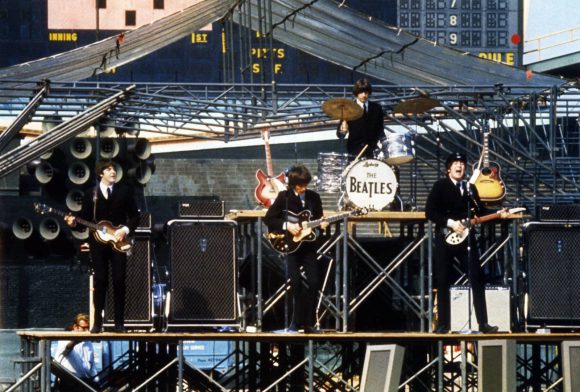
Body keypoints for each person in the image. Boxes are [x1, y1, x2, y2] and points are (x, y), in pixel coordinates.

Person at [425, 152, 508, 334]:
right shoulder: (440, 186)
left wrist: (499, 214)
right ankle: (443, 324)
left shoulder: (470, 188)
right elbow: (429, 211)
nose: (459, 166)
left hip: (466, 239)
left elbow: (481, 210)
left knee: (477, 277)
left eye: (461, 163)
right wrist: (450, 223)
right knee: (444, 279)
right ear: (449, 168)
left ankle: (483, 323)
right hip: (445, 236)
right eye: (455, 163)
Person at [65, 159, 139, 333]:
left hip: (118, 241)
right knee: (100, 280)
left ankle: (119, 323)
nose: (113, 172)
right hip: (97, 243)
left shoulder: (125, 192)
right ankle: (97, 322)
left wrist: (125, 230)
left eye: (114, 169)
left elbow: (135, 217)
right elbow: (84, 221)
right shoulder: (91, 193)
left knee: (119, 280)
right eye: (109, 169)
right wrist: (73, 223)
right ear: (101, 174)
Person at [264, 164, 329, 333]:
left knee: (314, 282)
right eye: (299, 185)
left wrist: (323, 224)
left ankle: (308, 323)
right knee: (296, 283)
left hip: (308, 245)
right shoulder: (283, 197)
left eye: (305, 185)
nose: (302, 189)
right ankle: (295, 322)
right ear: (292, 184)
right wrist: (287, 225)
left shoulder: (314, 197)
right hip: (291, 245)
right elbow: (269, 218)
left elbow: (319, 218)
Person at [337, 78, 385, 159]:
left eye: (366, 92)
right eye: (361, 92)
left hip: (372, 151)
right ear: (356, 93)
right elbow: (339, 134)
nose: (364, 95)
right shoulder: (348, 108)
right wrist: (343, 130)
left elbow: (380, 129)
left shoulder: (377, 108)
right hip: (354, 151)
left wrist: (382, 145)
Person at [54, 313, 98, 388]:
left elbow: (91, 364)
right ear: (75, 327)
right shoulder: (65, 338)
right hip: (68, 381)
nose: (87, 331)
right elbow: (67, 348)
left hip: (85, 382)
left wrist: (96, 380)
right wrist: (76, 341)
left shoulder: (88, 342)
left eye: (88, 328)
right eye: (84, 328)